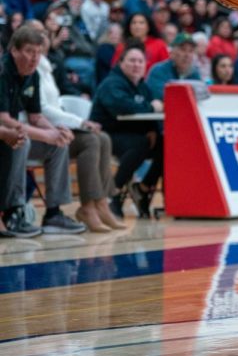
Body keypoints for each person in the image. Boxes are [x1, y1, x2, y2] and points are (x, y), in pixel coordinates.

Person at [30, 22, 125, 232]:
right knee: (90, 140)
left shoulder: (46, 65)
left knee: (103, 138)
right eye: (37, 33)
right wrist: (80, 122)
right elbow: (42, 110)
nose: (43, 37)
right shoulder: (32, 67)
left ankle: (101, 202)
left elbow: (57, 105)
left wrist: (77, 122)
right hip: (41, 132)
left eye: (44, 33)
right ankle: (88, 206)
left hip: (55, 127)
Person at [0, 25, 85, 236]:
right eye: (29, 51)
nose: (34, 58)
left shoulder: (33, 75)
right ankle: (14, 212)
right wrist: (46, 134)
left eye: (38, 52)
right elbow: (4, 119)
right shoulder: (3, 71)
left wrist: (56, 131)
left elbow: (36, 116)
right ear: (14, 51)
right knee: (23, 140)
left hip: (15, 130)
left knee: (58, 145)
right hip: (5, 133)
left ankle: (54, 213)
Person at [90, 40, 164, 219]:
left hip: (130, 134)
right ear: (121, 63)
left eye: (140, 61)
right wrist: (152, 108)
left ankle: (143, 187)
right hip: (105, 134)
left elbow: (144, 108)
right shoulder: (112, 83)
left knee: (165, 143)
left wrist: (152, 129)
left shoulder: (142, 86)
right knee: (139, 144)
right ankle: (113, 193)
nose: (136, 65)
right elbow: (123, 107)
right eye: (132, 60)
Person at [146, 33, 201, 101]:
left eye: (191, 51)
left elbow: (200, 96)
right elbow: (162, 95)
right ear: (172, 53)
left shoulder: (194, 72)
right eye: (183, 50)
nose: (187, 55)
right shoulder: (158, 71)